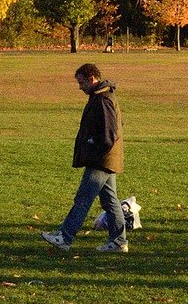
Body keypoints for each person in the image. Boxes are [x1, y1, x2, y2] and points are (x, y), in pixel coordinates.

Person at [43, 63, 128, 254]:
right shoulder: (99, 97)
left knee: (83, 199)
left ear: (92, 79)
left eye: (81, 82)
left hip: (101, 160)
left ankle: (65, 237)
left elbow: (109, 134)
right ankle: (119, 241)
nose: (79, 87)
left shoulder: (103, 100)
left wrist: (93, 146)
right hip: (106, 159)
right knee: (110, 201)